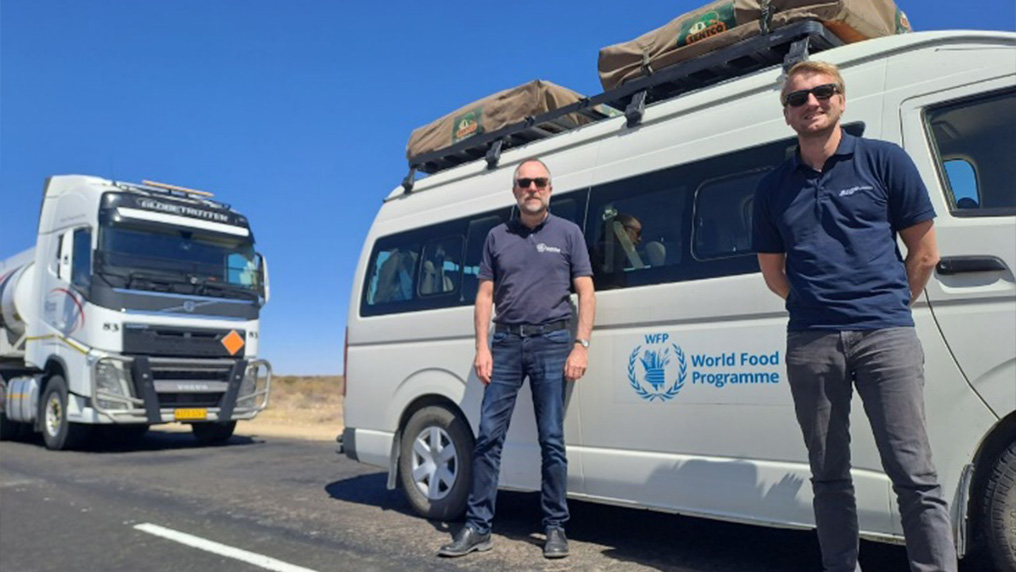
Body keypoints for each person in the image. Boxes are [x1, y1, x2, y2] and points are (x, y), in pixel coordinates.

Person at [752, 60, 957, 572]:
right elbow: (774, 274)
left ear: (842, 99)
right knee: (828, 474)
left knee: (914, 473)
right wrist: (817, 304)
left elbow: (925, 253)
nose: (811, 103)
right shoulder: (773, 187)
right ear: (787, 114)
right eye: (798, 98)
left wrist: (885, 306)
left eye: (823, 92)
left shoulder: (884, 161)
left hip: (885, 335)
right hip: (811, 341)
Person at [438, 158, 595, 559]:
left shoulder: (569, 233)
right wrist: (482, 347)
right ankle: (477, 527)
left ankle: (555, 527)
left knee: (552, 439)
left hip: (552, 342)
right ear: (515, 191)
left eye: (539, 181)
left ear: (549, 189)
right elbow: (485, 296)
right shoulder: (496, 237)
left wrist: (581, 344)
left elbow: (586, 292)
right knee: (488, 437)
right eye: (524, 182)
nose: (532, 188)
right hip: (505, 344)